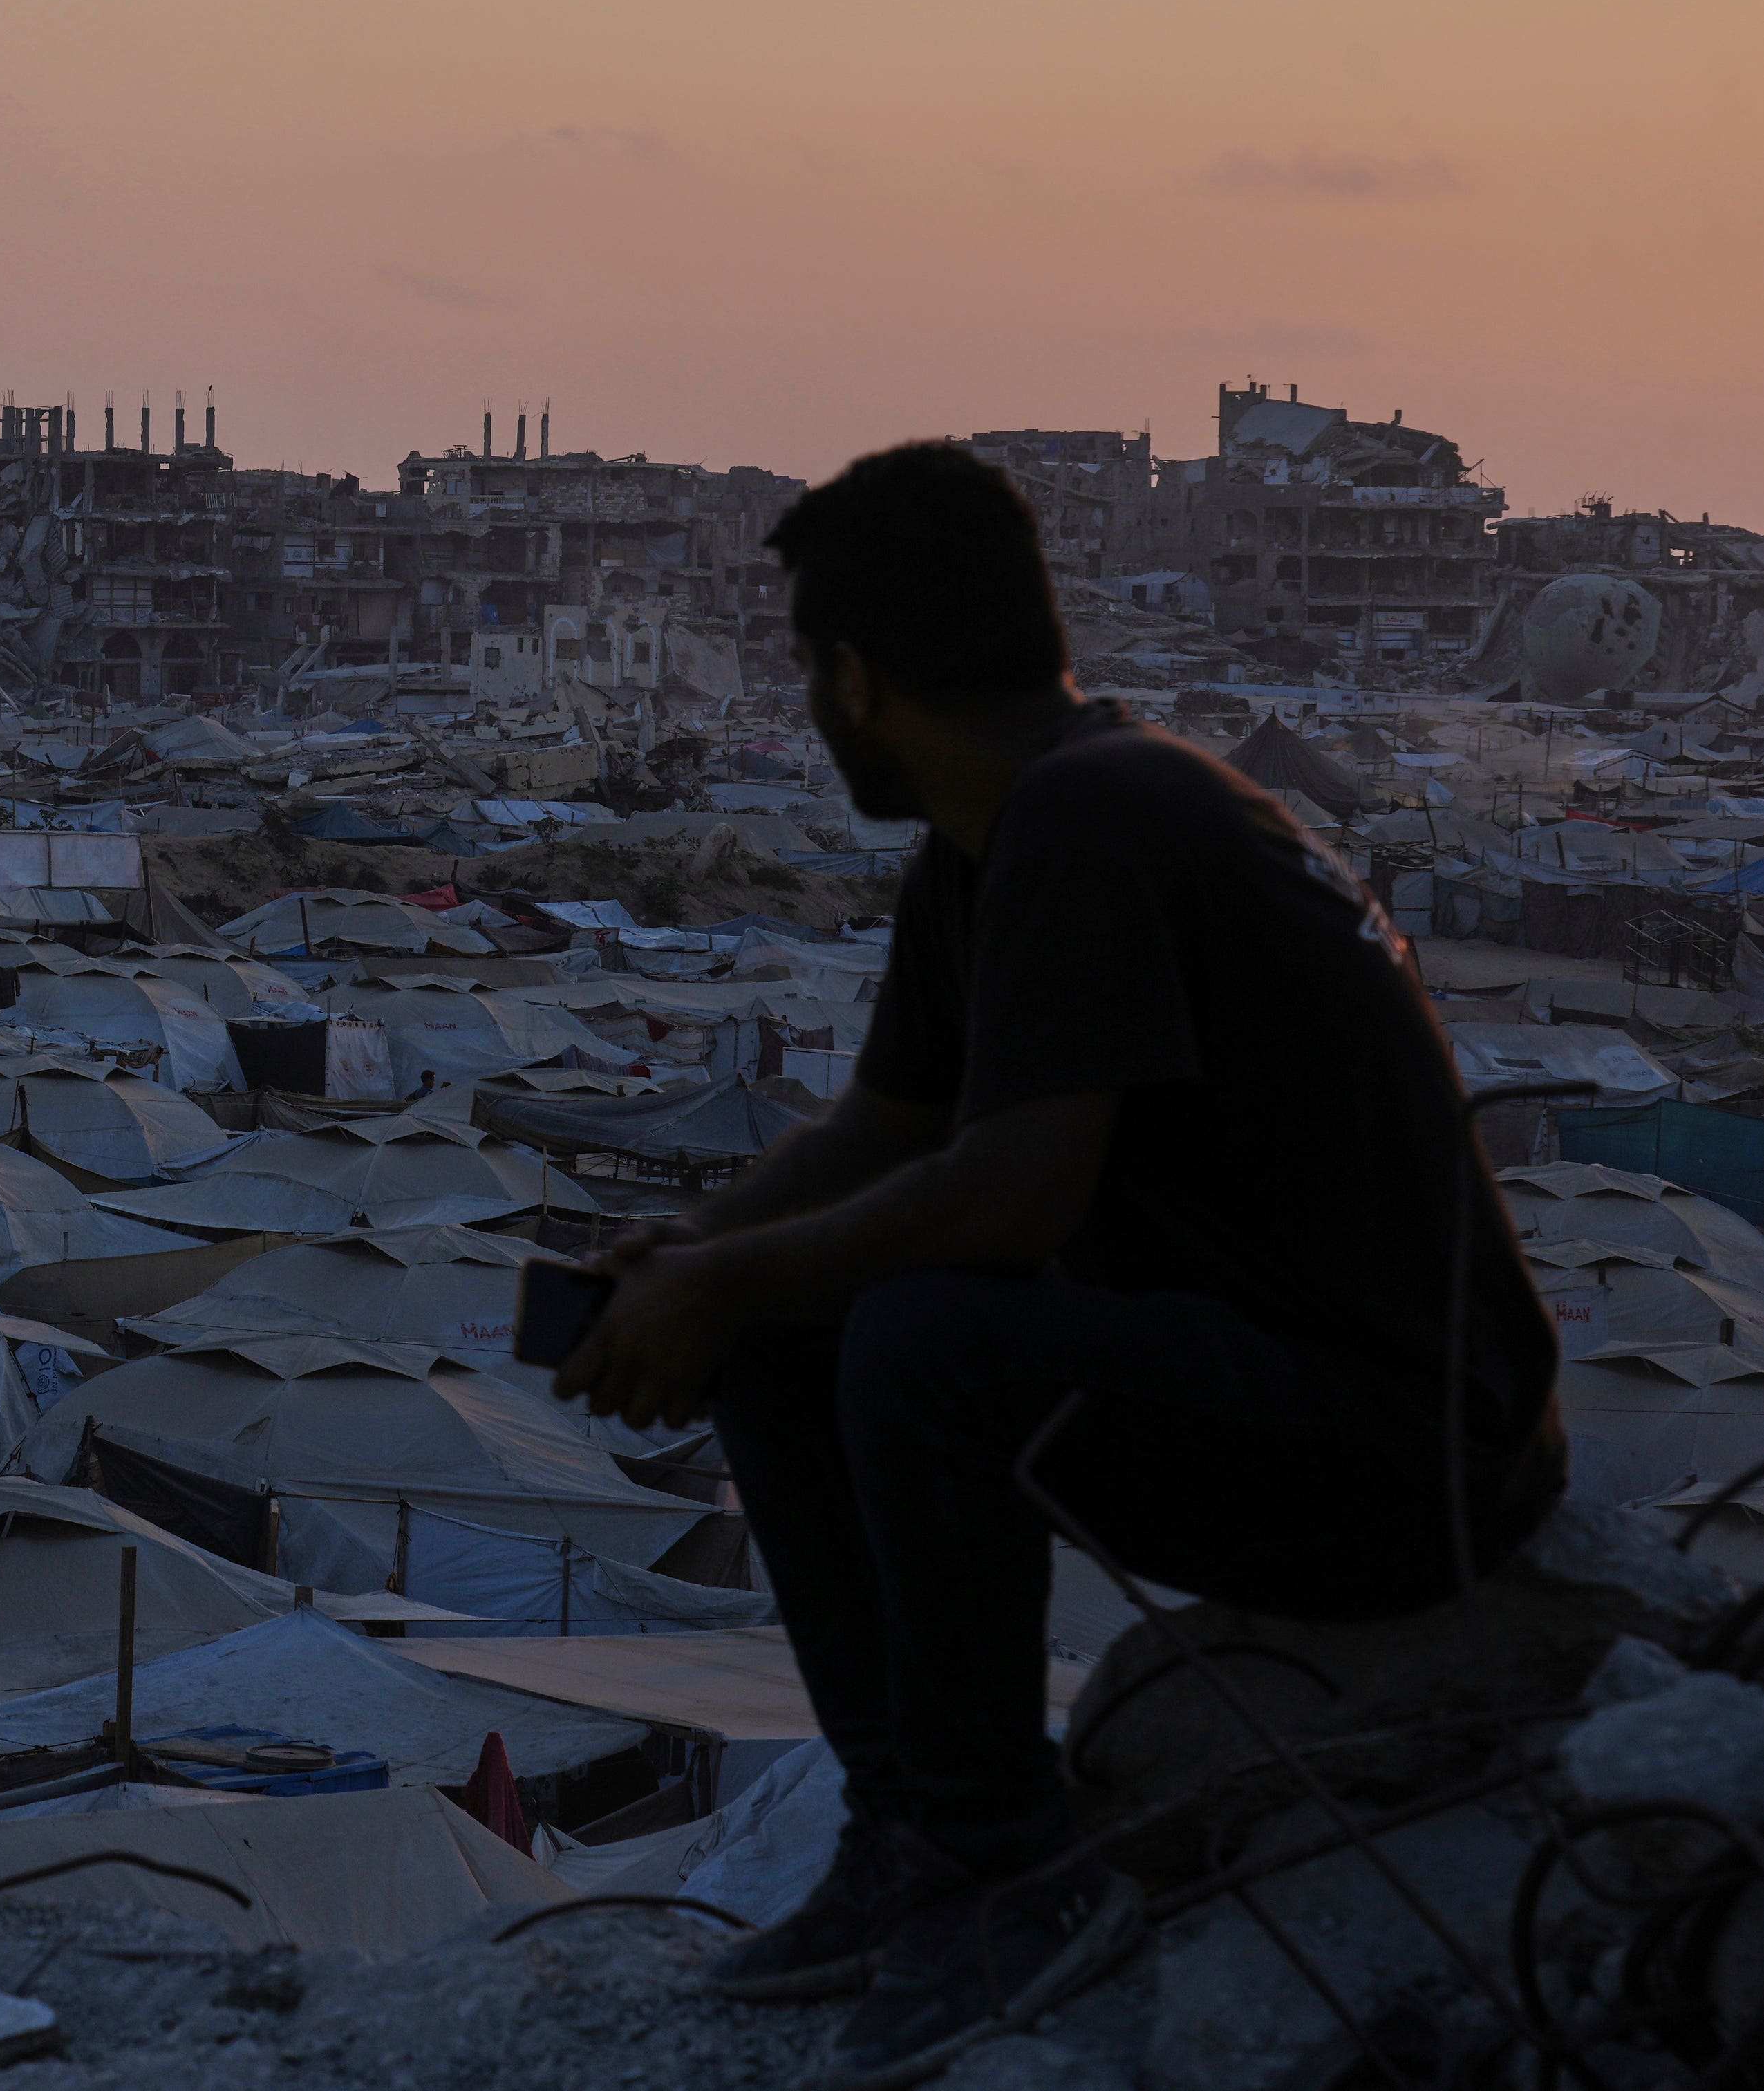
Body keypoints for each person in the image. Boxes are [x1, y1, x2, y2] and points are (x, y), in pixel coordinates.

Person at [555, 442, 1561, 2091]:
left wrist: (728, 1280)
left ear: (851, 677)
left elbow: (1010, 1197)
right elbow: (884, 1129)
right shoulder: (1020, 824)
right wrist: (696, 1252)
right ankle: (904, 1833)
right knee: (795, 1322)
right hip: (1306, 1390)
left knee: (918, 1341)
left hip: (1409, 1455)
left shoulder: (1088, 826)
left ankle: (1003, 1862)